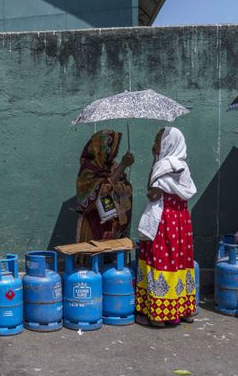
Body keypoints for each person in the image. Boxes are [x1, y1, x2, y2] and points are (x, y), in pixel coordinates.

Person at [135, 128, 197, 327]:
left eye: (157, 140)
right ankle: (184, 310)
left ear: (168, 144)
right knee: (179, 259)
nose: (154, 144)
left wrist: (154, 163)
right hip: (181, 221)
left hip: (164, 219)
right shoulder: (183, 166)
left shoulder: (163, 165)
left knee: (160, 259)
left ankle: (159, 315)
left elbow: (152, 194)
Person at [75, 130, 134, 242]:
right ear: (103, 149)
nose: (116, 152)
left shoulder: (111, 166)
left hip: (111, 225)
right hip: (93, 224)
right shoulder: (88, 170)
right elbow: (102, 189)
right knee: (93, 256)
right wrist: (123, 165)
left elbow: (121, 185)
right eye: (114, 148)